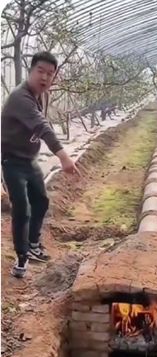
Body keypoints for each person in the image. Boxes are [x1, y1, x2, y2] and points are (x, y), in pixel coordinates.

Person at [1, 51, 80, 278]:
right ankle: (21, 258)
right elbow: (42, 126)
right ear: (31, 70)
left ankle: (33, 243)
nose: (45, 77)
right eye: (40, 71)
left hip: (29, 160)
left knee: (42, 201)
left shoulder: (42, 95)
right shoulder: (20, 97)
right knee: (22, 209)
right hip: (12, 161)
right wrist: (63, 157)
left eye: (50, 73)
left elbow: (42, 123)